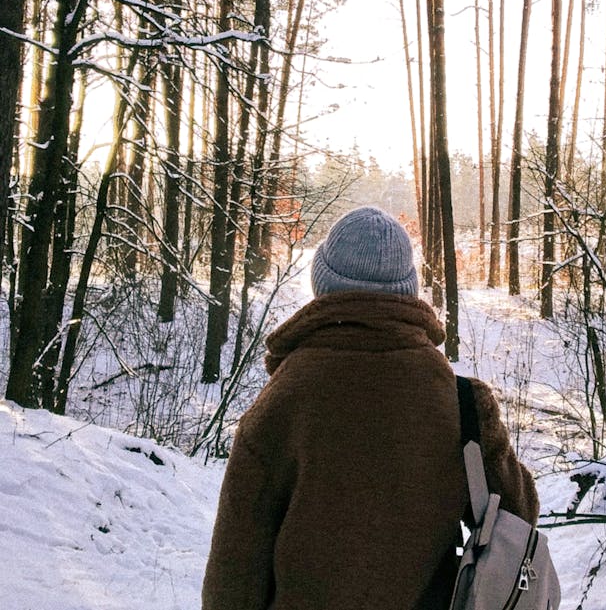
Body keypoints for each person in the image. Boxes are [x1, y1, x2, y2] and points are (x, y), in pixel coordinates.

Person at [202, 206, 539, 610]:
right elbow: (520, 516)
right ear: (408, 291)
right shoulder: (461, 402)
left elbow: (234, 574)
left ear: (322, 286)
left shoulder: (282, 401)